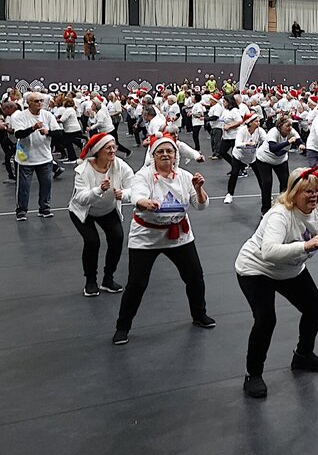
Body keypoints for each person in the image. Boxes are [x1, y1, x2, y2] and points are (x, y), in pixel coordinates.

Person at [234, 167, 318, 398]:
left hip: (289, 269)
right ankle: (252, 374)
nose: (314, 195)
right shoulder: (280, 215)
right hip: (256, 269)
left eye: (316, 191)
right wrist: (305, 245)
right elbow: (268, 252)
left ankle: (303, 355)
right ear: (294, 193)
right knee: (266, 319)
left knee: (315, 306)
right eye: (308, 191)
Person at [113, 134, 213, 344]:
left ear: (175, 155)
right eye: (161, 151)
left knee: (195, 276)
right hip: (146, 237)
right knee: (137, 284)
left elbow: (201, 206)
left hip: (179, 235)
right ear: (154, 155)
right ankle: (122, 327)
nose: (165, 154)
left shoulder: (184, 176)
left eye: (169, 151)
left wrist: (198, 189)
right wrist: (144, 202)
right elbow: (137, 194)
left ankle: (199, 315)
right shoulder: (144, 176)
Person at [69, 134, 133, 297]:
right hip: (83, 212)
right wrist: (99, 190)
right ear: (98, 151)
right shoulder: (83, 170)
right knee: (92, 241)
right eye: (108, 148)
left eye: (114, 147)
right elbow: (81, 198)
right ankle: (90, 281)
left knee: (117, 238)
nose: (113, 150)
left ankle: (108, 279)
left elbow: (133, 186)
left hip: (107, 210)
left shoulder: (119, 165)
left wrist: (124, 194)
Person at [11, 91, 59, 221]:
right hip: (26, 159)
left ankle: (45, 208)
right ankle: (21, 211)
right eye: (36, 101)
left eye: (41, 101)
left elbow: (59, 133)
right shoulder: (21, 116)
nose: (40, 103)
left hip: (45, 157)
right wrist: (33, 128)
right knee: (24, 187)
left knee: (46, 185)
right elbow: (19, 134)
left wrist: (48, 132)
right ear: (29, 103)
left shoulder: (47, 115)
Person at [254, 115, 300, 216]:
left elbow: (298, 140)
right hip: (264, 159)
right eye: (287, 125)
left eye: (291, 125)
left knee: (285, 182)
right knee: (267, 183)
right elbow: (273, 148)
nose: (290, 128)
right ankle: (265, 209)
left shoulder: (291, 132)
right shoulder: (273, 132)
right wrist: (288, 142)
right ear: (280, 126)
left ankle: (283, 205)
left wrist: (301, 145)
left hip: (280, 160)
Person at [224, 112, 267, 205]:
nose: (258, 123)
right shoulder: (242, 131)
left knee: (260, 176)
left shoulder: (260, 131)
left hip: (252, 157)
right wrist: (246, 144)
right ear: (250, 123)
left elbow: (266, 141)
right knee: (234, 173)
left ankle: (265, 194)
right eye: (256, 121)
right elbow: (237, 144)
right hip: (239, 156)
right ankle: (229, 194)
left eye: (259, 121)